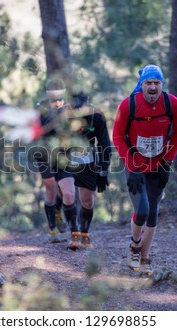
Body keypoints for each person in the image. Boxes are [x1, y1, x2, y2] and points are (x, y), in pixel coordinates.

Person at [112, 64, 177, 275]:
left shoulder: (173, 104)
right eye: (148, 83)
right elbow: (117, 137)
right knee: (141, 210)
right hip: (135, 165)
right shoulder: (128, 105)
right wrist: (131, 167)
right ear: (141, 85)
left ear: (162, 84)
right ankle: (135, 245)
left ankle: (144, 257)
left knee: (153, 213)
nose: (152, 87)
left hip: (159, 165)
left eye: (157, 83)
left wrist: (167, 161)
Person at [63, 91, 112, 250]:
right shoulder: (60, 116)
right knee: (69, 195)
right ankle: (74, 234)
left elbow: (104, 144)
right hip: (64, 160)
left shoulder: (96, 115)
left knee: (88, 201)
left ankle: (85, 233)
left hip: (87, 161)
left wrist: (103, 171)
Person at [34, 78, 71, 243]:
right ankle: (52, 229)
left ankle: (58, 211)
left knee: (64, 189)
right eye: (54, 99)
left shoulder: (68, 107)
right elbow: (41, 129)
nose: (57, 102)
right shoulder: (40, 109)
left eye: (60, 98)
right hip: (43, 152)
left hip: (61, 153)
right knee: (51, 188)